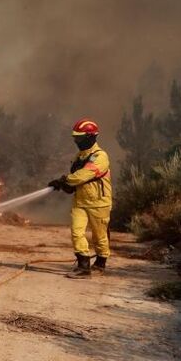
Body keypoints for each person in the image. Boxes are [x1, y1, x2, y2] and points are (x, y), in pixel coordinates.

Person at [48, 119, 113, 278]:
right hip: (80, 202)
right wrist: (64, 184)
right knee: (77, 232)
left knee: (99, 236)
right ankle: (84, 266)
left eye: (80, 138)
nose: (77, 141)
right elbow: (75, 177)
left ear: (91, 137)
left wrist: (65, 180)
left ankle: (100, 263)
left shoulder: (100, 156)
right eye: (75, 138)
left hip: (99, 203)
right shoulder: (79, 157)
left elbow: (86, 174)